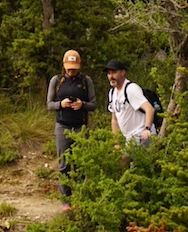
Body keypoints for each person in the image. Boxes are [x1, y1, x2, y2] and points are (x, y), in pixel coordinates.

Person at [47, 50, 97, 209]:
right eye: (69, 68)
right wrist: (60, 104)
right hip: (62, 126)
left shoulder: (86, 81)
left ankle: (82, 198)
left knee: (81, 163)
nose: (71, 71)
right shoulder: (56, 81)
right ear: (63, 66)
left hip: (80, 127)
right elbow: (49, 104)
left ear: (79, 66)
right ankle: (66, 200)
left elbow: (94, 105)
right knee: (64, 165)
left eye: (74, 68)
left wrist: (82, 105)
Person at [105, 59, 156, 145]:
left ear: (122, 72)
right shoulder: (112, 93)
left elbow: (149, 109)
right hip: (129, 139)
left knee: (123, 158)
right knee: (116, 157)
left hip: (142, 135)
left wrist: (147, 128)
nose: (111, 76)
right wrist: (116, 142)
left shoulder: (131, 89)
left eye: (114, 72)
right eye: (109, 73)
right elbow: (114, 119)